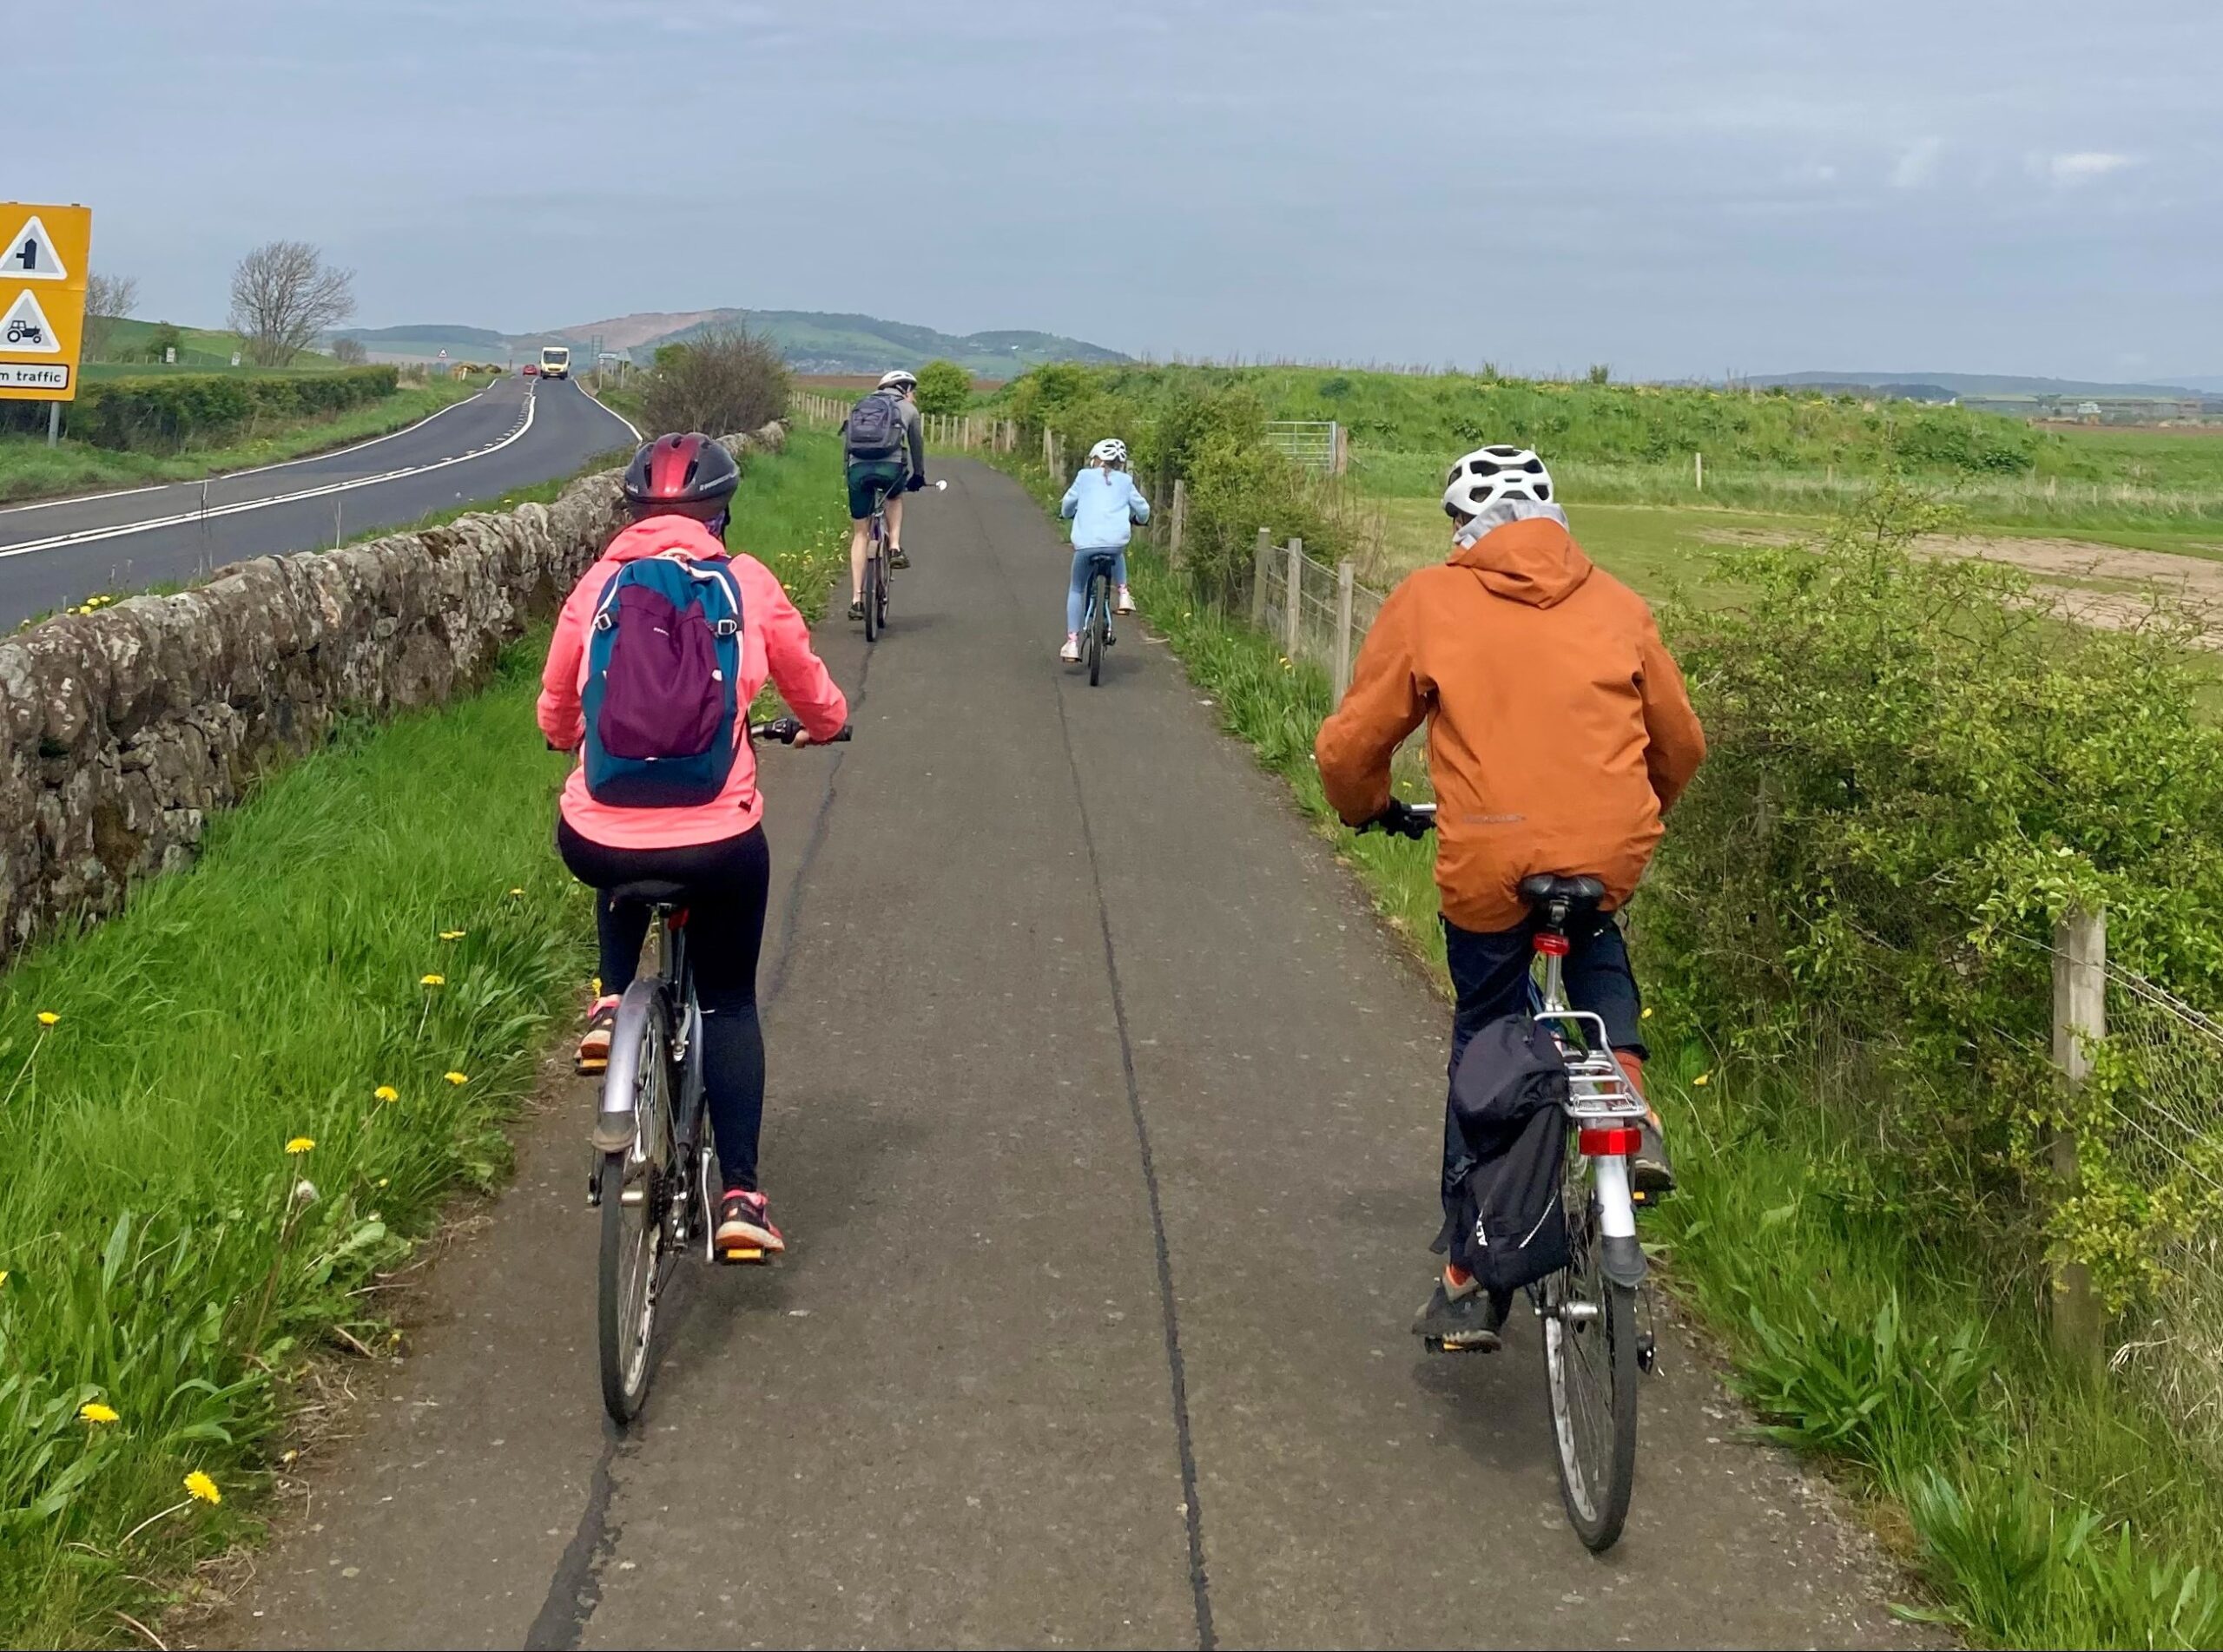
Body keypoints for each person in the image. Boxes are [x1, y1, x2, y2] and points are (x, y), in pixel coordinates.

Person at [1313, 443, 1705, 1348]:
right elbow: (1680, 743)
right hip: (1605, 848)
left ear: (1462, 526)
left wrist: (1366, 810)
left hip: (1489, 862)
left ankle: (1468, 1272)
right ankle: (1634, 1110)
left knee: (1486, 1031)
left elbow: (1348, 750)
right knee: (1599, 938)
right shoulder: (1618, 603)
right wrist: (1635, 815)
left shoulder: (1432, 599)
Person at [538, 432, 849, 1254]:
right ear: (722, 512)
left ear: (633, 512)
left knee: (613, 828)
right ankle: (742, 1196)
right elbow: (811, 688)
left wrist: (564, 735)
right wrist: (827, 726)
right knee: (729, 1000)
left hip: (598, 838)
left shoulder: (598, 584)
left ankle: (612, 1000)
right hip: (718, 842)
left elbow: (557, 703)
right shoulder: (744, 583)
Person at [841, 369, 927, 620]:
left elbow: (847, 445)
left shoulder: (862, 406)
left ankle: (857, 599)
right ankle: (895, 546)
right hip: (891, 469)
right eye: (911, 390)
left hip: (857, 470)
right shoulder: (909, 410)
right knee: (895, 497)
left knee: (860, 533)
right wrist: (919, 475)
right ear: (905, 389)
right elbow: (917, 446)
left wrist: (848, 474)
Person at [1056, 438, 1148, 662]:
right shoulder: (1126, 481)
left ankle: (1073, 643)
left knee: (1077, 588)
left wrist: (1067, 513)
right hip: (1115, 543)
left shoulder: (1084, 477)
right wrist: (1139, 519)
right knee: (1117, 550)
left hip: (1086, 544)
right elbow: (1143, 509)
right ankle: (1124, 594)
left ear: (1096, 459)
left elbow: (1068, 504)